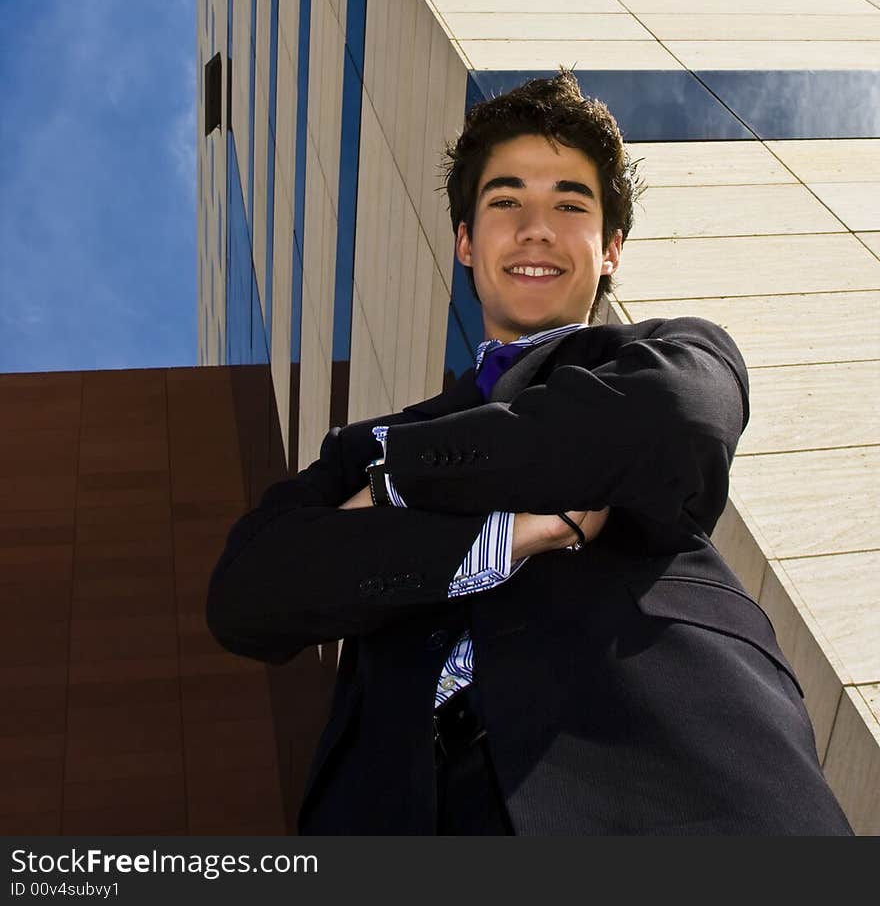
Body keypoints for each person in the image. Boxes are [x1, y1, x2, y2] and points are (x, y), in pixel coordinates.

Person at [206, 70, 853, 836]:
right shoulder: (359, 445)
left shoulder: (670, 354)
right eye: (506, 201)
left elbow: (672, 423)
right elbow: (247, 597)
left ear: (610, 249)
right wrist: (505, 533)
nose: (536, 227)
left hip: (672, 780)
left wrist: (393, 489)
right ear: (466, 243)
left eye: (570, 205)